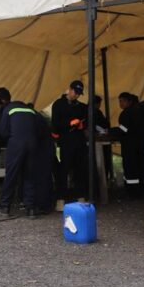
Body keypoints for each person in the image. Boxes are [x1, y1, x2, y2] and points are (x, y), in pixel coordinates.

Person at [0, 98, 40, 217]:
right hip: (32, 144)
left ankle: (5, 207)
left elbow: (3, 131)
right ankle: (30, 209)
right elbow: (37, 130)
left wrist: (10, 139)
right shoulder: (31, 111)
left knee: (11, 175)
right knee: (29, 176)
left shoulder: (9, 109)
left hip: (16, 143)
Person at [51, 80, 88, 210]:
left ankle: (81, 197)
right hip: (66, 141)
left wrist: (82, 125)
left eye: (79, 94)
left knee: (80, 169)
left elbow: (87, 121)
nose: (77, 95)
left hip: (79, 141)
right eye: (76, 92)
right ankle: (60, 199)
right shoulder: (58, 104)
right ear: (70, 90)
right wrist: (69, 123)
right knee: (63, 170)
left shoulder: (82, 106)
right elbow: (55, 124)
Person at [114, 92, 144, 197]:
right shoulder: (140, 110)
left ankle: (133, 192)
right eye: (119, 101)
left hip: (130, 146)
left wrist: (111, 132)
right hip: (141, 144)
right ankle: (143, 190)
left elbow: (124, 129)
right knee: (141, 167)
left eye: (123, 101)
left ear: (129, 101)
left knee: (131, 169)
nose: (121, 104)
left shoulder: (127, 113)